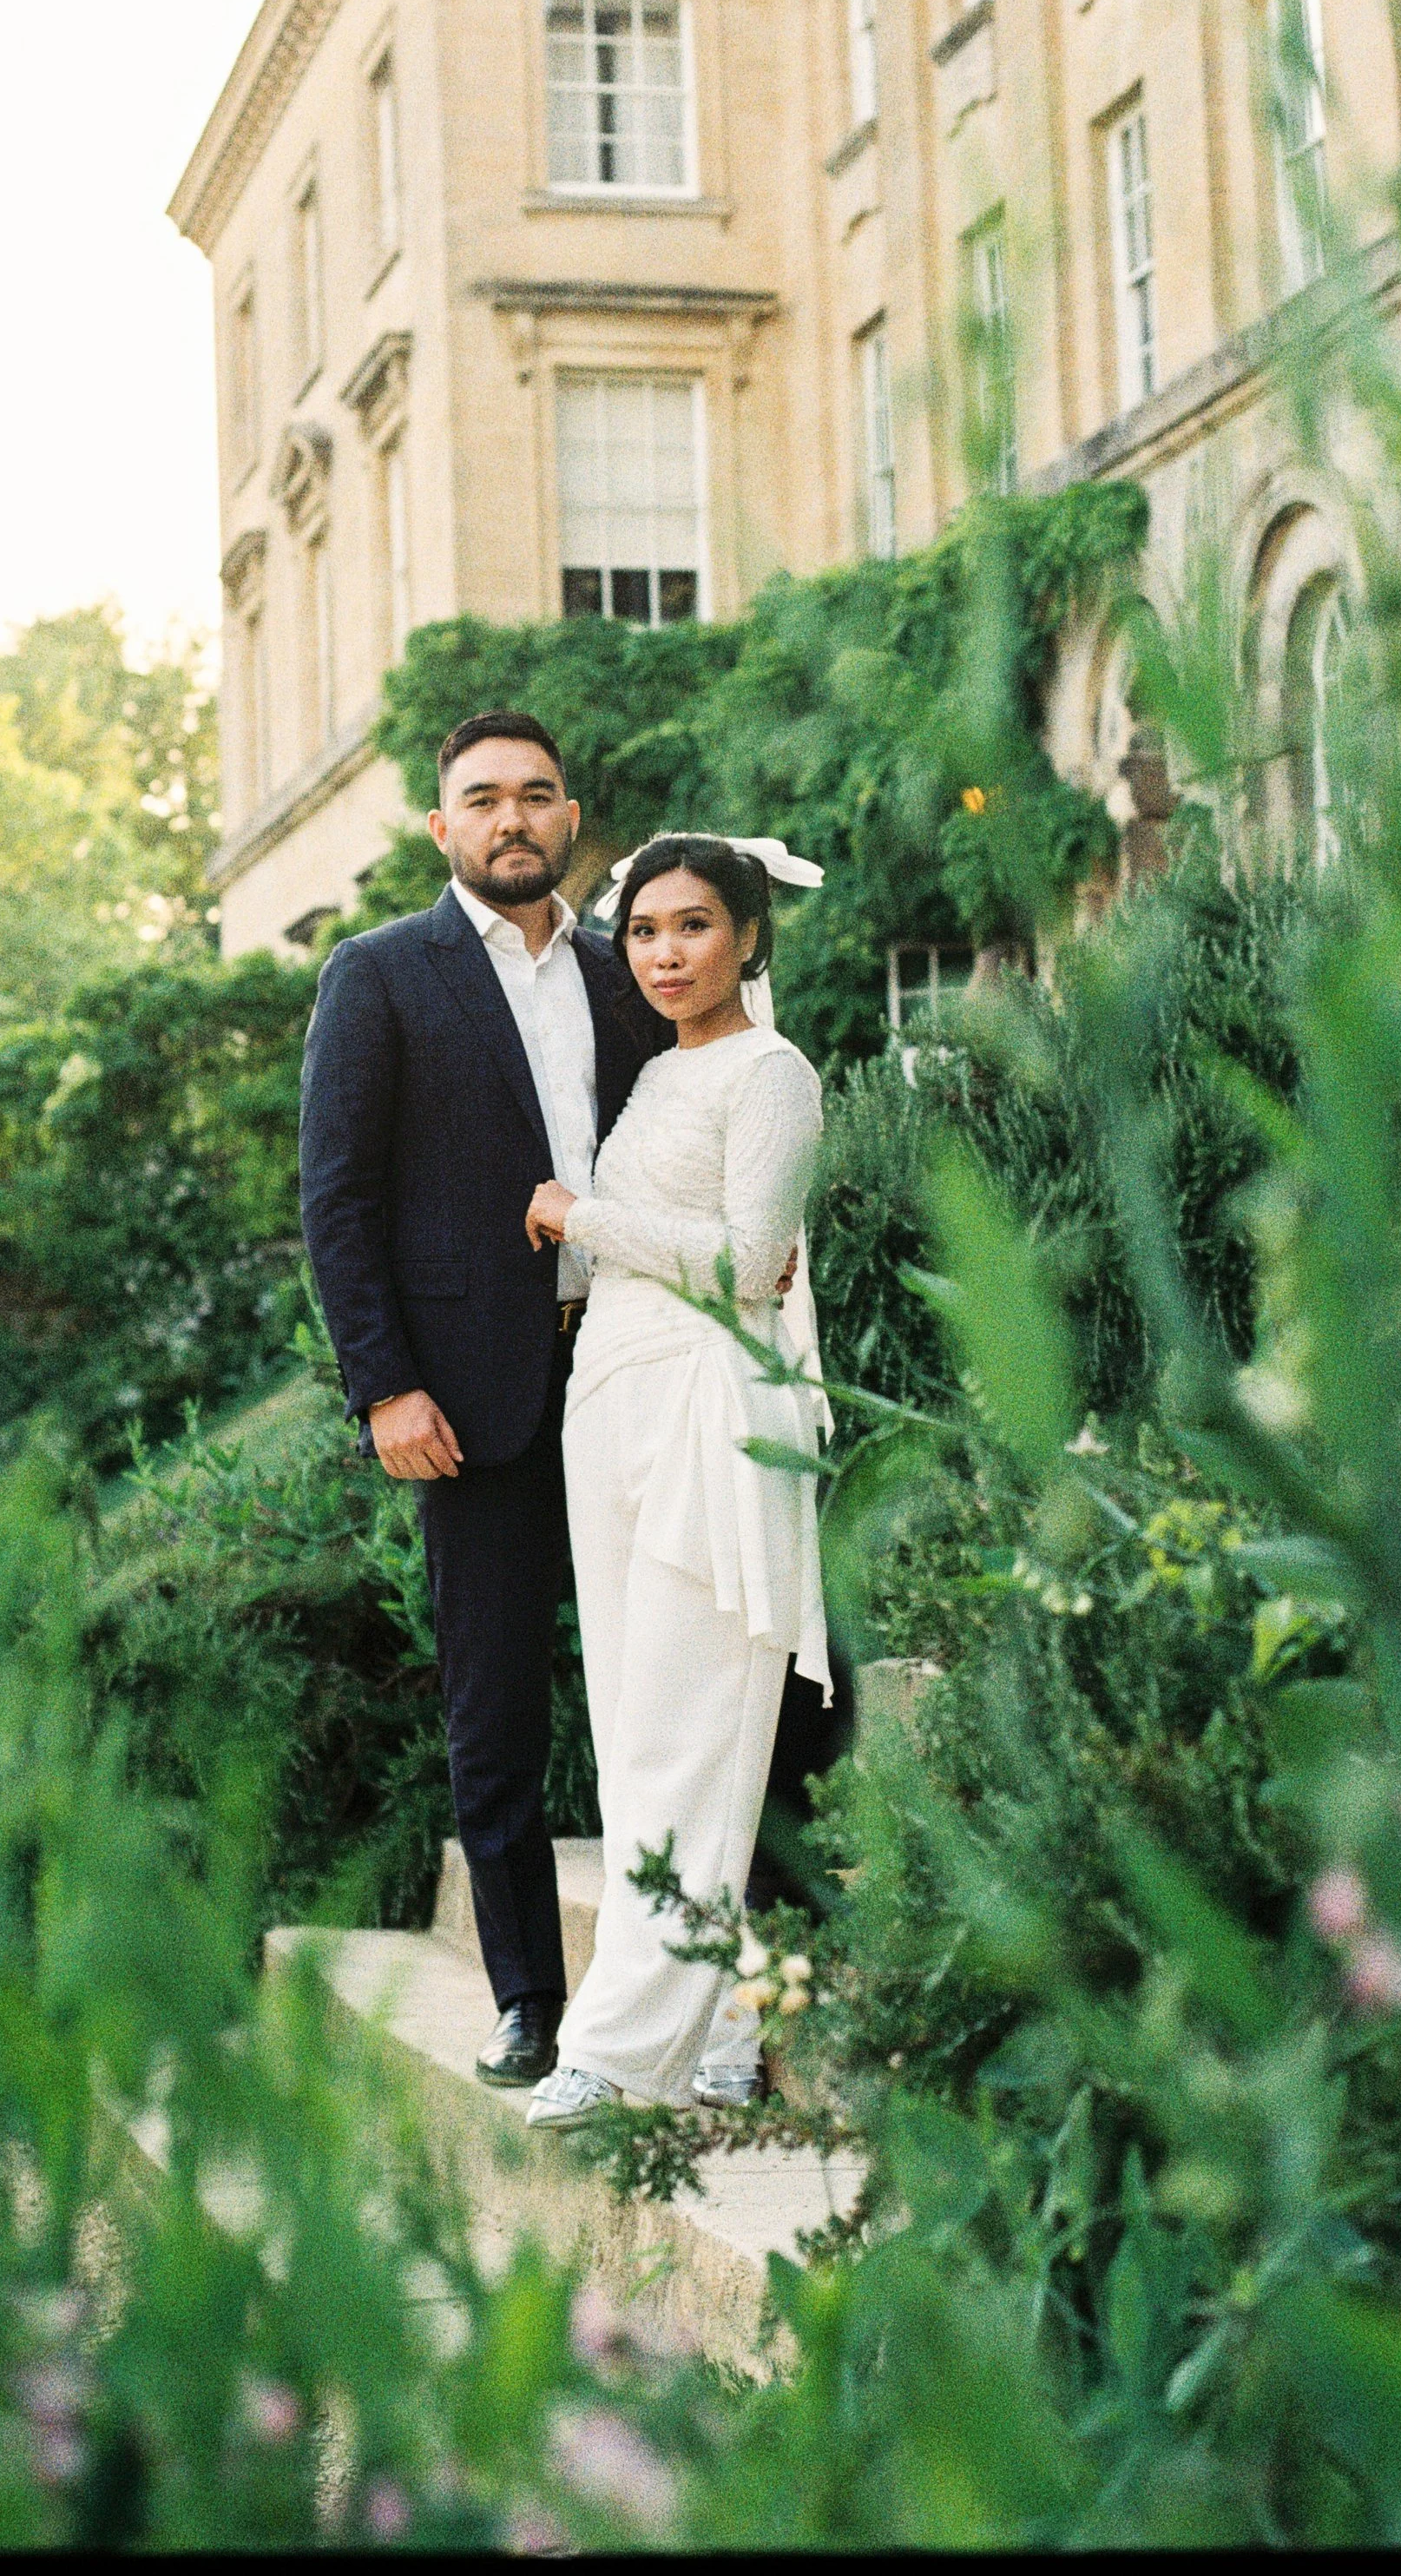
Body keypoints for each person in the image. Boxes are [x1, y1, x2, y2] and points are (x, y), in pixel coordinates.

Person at [296, 712, 674, 2086]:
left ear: (572, 817)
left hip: (635, 1360)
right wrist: (385, 1387)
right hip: (471, 1394)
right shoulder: (382, 976)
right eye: (482, 800)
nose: (511, 818)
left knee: (663, 1674)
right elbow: (338, 1203)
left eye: (536, 795)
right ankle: (529, 1997)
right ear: (441, 828)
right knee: (496, 1700)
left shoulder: (623, 972)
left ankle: (676, 1975)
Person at [516, 833, 829, 2128]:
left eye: (692, 927)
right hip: (617, 1405)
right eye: (643, 931)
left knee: (695, 1730)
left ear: (749, 936)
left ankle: (620, 2045)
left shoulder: (771, 1075)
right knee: (636, 1737)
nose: (663, 955)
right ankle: (708, 2023)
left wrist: (577, 1216)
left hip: (711, 1413)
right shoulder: (661, 1076)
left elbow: (755, 1263)